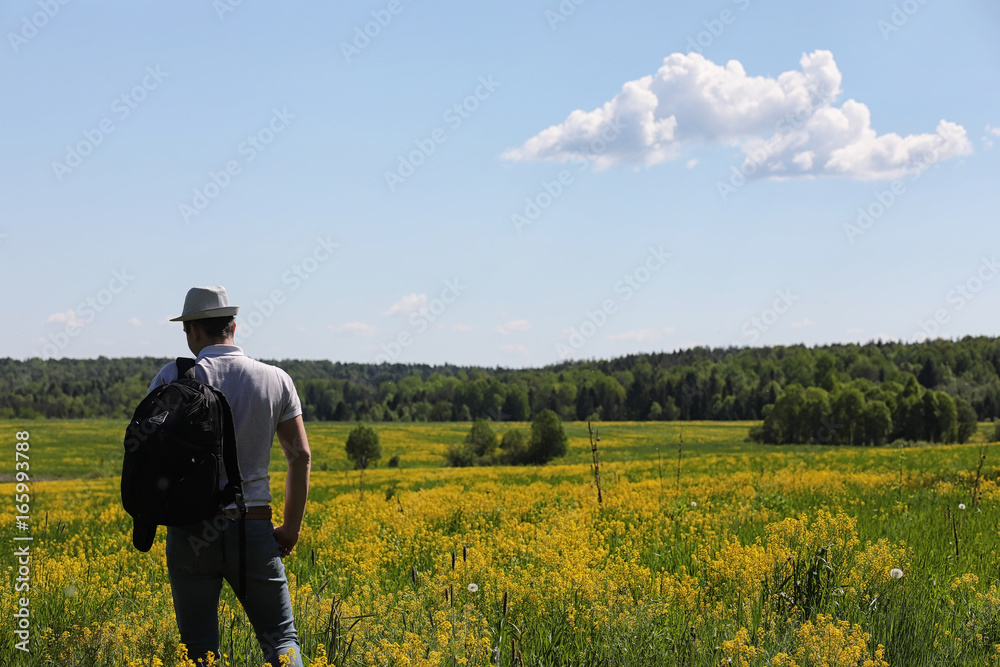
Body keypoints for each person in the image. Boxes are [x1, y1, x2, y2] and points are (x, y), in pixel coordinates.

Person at [147, 285, 311, 666]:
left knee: (199, 650)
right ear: (233, 326)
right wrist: (290, 528)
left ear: (193, 330)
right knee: (281, 639)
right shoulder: (275, 379)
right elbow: (299, 455)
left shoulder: (173, 377)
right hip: (253, 528)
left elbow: (148, 452)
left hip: (190, 533)